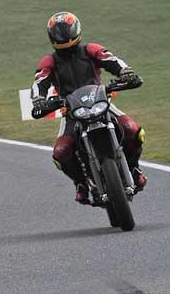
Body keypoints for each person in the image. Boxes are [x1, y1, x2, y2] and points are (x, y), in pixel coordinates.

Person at [31, 12, 147, 204]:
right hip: (71, 112)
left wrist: (126, 72)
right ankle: (81, 183)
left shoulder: (91, 49)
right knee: (60, 152)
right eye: (60, 34)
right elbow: (39, 81)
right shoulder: (49, 61)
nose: (64, 37)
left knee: (133, 129)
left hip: (101, 102)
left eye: (67, 32)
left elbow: (111, 59)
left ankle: (134, 167)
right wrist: (38, 100)